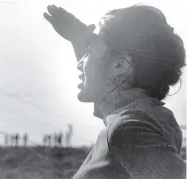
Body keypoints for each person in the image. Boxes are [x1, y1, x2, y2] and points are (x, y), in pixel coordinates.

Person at [44, 4, 186, 179]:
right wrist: (81, 40)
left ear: (120, 65)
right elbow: (108, 84)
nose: (80, 63)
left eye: (89, 53)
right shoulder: (147, 118)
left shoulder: (128, 129)